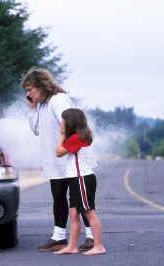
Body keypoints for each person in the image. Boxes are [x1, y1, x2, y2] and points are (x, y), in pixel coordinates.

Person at [22, 67, 94, 252]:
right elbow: (36, 129)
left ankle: (92, 237)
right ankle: (59, 237)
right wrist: (32, 109)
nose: (28, 94)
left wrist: (67, 149)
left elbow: (74, 124)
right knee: (59, 198)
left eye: (30, 89)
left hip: (70, 160)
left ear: (41, 86)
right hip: (55, 162)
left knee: (80, 200)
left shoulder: (58, 100)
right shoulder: (42, 105)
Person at [54, 108, 106, 255]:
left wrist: (62, 135)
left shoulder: (76, 138)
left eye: (62, 121)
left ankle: (99, 245)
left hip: (82, 178)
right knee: (73, 213)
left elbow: (58, 152)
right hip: (76, 179)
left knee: (89, 212)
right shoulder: (78, 137)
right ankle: (72, 246)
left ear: (69, 123)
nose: (61, 124)